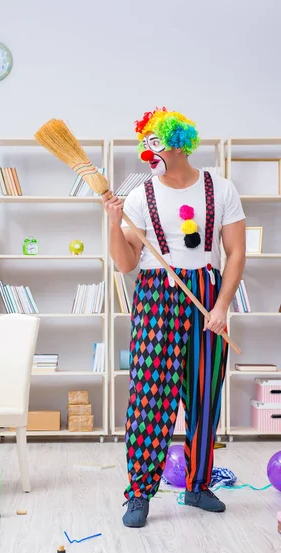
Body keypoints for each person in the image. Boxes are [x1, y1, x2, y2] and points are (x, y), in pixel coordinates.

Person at [102, 107, 246, 528]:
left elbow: (236, 252)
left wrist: (221, 305)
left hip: (206, 291)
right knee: (149, 396)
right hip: (155, 295)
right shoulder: (139, 196)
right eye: (145, 143)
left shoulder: (221, 189)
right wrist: (114, 224)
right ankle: (140, 494)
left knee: (205, 395)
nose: (149, 152)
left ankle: (198, 486)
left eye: (155, 143)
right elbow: (126, 264)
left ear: (179, 143)